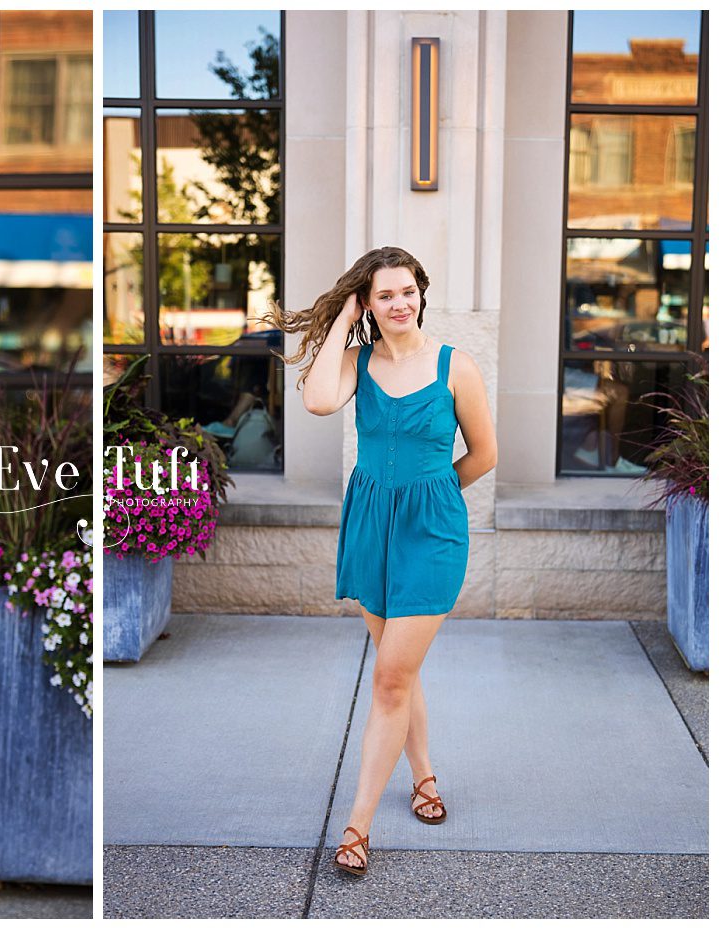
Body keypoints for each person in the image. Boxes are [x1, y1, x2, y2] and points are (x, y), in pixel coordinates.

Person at [266, 246, 498, 878]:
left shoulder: (457, 367)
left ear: (422, 293)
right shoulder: (354, 363)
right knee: (402, 670)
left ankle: (357, 825)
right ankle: (423, 777)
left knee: (390, 678)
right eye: (384, 295)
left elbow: (484, 454)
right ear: (369, 303)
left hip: (431, 532)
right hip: (370, 527)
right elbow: (316, 402)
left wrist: (433, 495)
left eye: (408, 291)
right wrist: (343, 318)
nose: (400, 304)